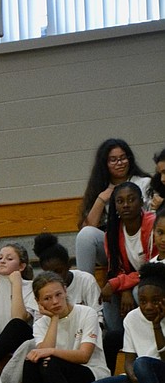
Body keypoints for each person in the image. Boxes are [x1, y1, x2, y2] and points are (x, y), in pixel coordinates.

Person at [6, 272, 109, 383]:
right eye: (47, 298)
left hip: (91, 374)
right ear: (39, 303)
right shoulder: (40, 324)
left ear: (65, 291)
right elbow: (42, 354)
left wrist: (51, 351)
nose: (55, 301)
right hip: (57, 379)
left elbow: (84, 355)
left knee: (47, 360)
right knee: (32, 362)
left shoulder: (87, 313)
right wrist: (54, 319)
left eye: (58, 295)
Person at [84, 262, 165, 383]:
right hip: (142, 376)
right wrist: (132, 373)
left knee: (143, 363)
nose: (149, 306)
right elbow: (129, 358)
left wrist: (156, 326)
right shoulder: (132, 318)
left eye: (156, 300)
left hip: (160, 373)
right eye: (143, 301)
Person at [75, 138, 149, 275]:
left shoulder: (144, 183)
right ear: (105, 164)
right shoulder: (99, 188)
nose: (120, 163)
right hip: (114, 247)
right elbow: (86, 230)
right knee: (85, 235)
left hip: (141, 243)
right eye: (113, 160)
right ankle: (85, 287)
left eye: (123, 158)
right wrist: (101, 200)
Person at [101, 180, 156, 332]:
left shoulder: (154, 224)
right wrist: (123, 287)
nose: (126, 205)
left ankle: (151, 335)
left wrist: (121, 283)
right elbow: (116, 268)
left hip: (156, 278)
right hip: (133, 280)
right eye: (120, 201)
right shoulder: (111, 233)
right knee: (109, 294)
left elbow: (154, 267)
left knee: (139, 291)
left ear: (141, 202)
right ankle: (118, 336)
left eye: (131, 199)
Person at [33, 232, 102, 317]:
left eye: (59, 271)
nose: (55, 277)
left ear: (68, 265)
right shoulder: (41, 288)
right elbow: (39, 324)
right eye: (50, 273)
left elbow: (98, 316)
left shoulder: (86, 280)